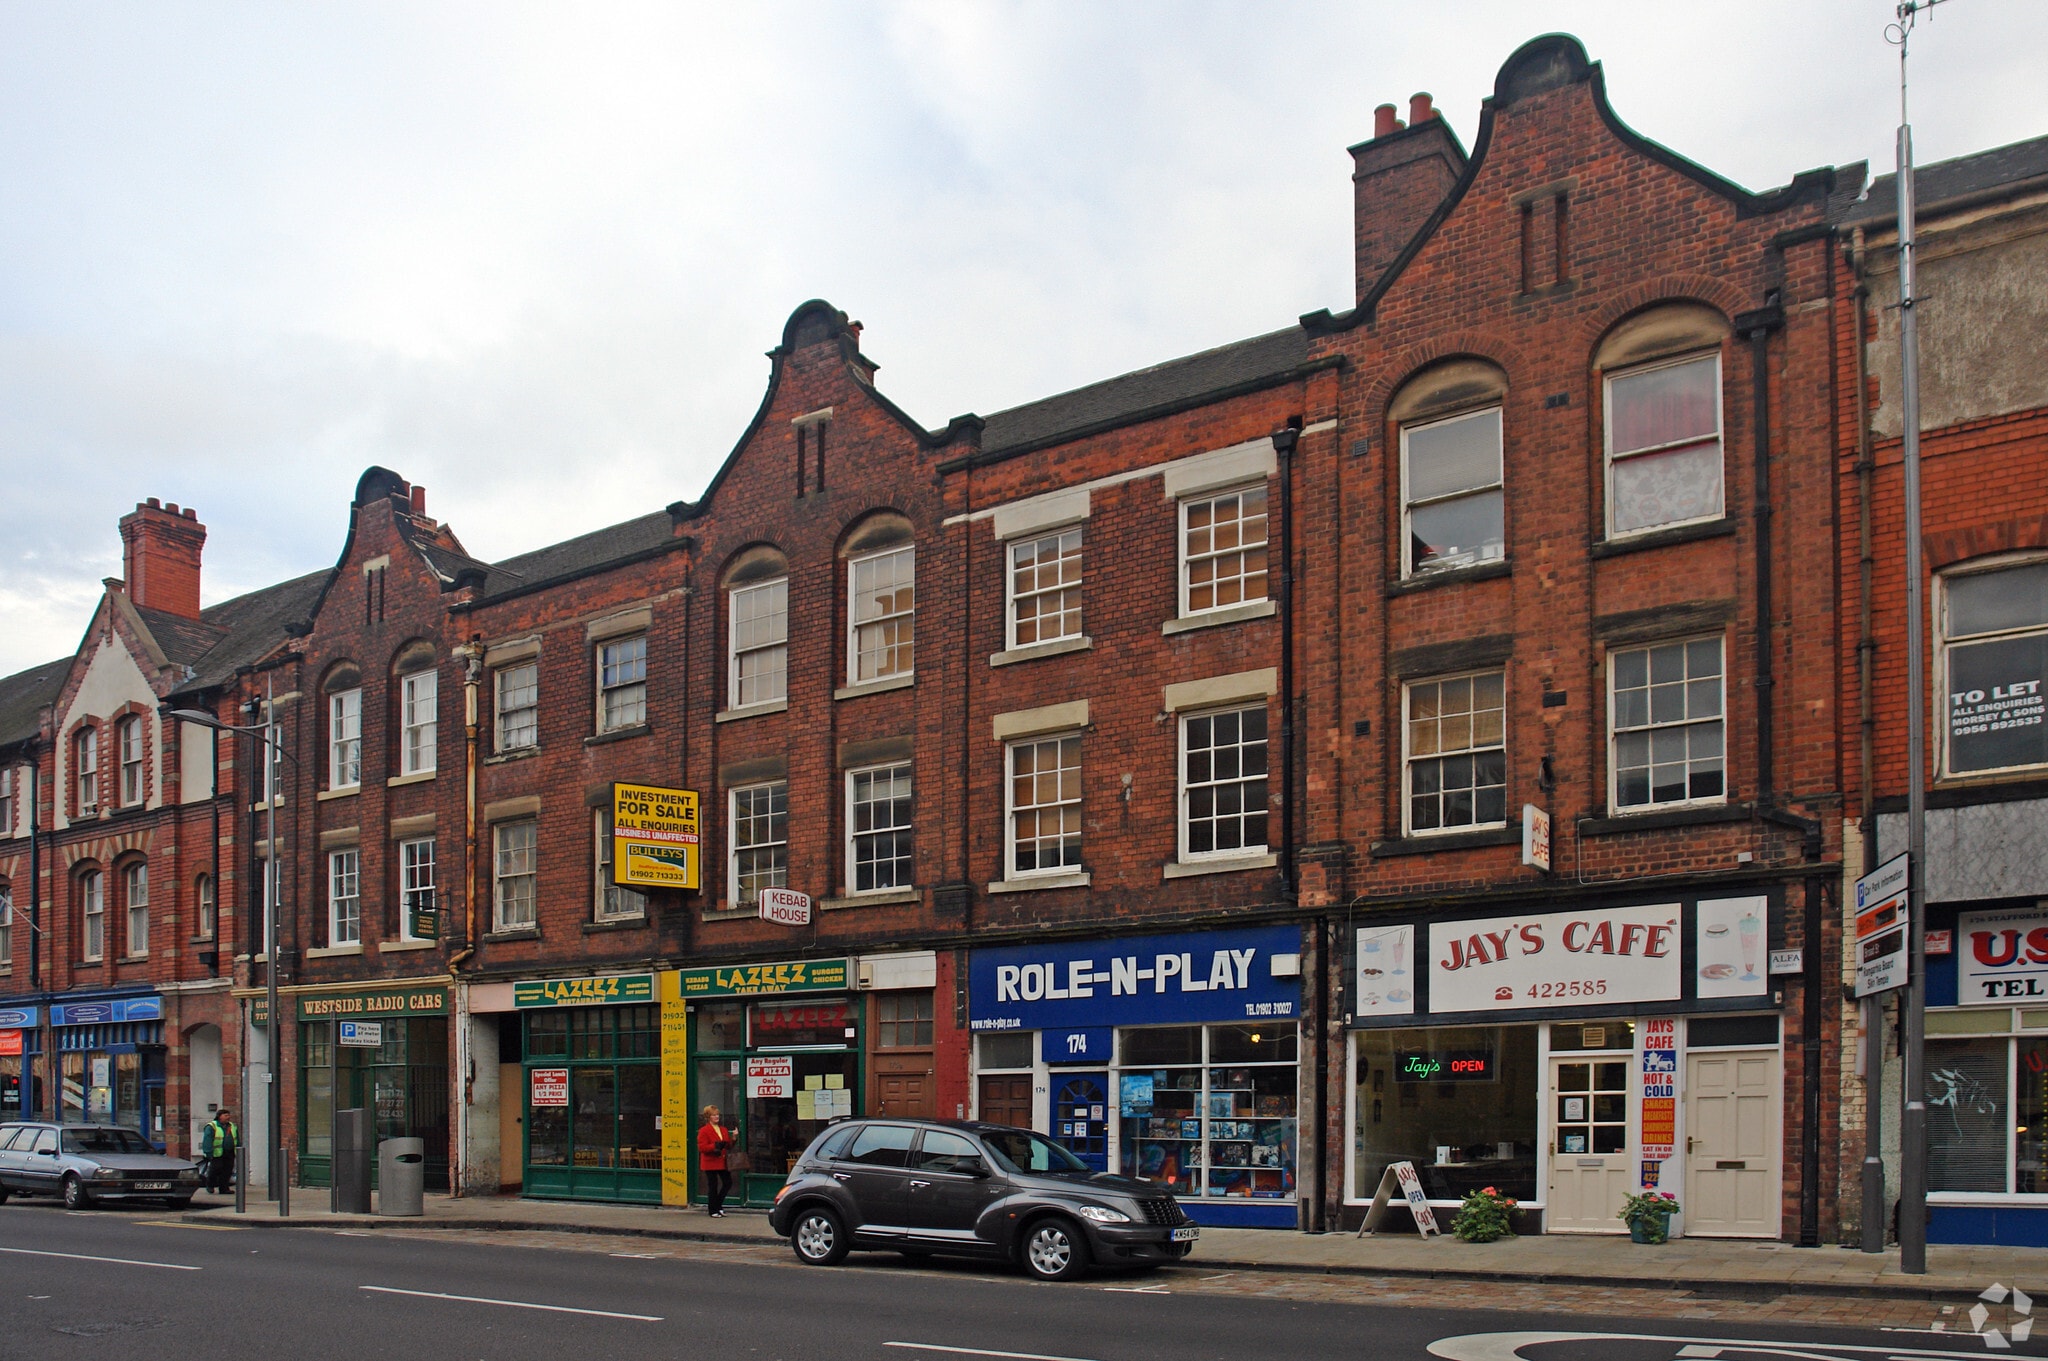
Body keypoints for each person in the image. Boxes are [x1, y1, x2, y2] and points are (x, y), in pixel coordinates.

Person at [697, 1104, 734, 1217]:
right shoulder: (704, 1130)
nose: (717, 1117)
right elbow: (702, 1147)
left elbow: (728, 1146)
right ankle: (712, 1210)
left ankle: (718, 1205)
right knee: (713, 1186)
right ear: (708, 1117)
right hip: (710, 1162)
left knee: (728, 1183)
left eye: (717, 1114)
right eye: (713, 1115)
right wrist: (715, 1146)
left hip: (722, 1161)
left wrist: (733, 1138)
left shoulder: (723, 1129)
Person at [199, 1109, 239, 1194]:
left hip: (230, 1152)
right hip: (217, 1153)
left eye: (228, 1115)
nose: (228, 1117)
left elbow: (237, 1138)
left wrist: (238, 1149)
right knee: (215, 1169)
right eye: (226, 1115)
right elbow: (207, 1139)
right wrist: (208, 1152)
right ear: (219, 1116)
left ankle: (224, 1188)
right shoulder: (212, 1126)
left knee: (227, 1171)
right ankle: (210, 1185)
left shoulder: (232, 1126)